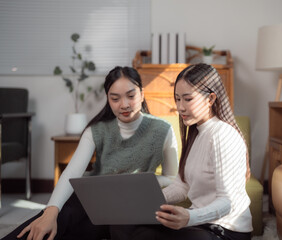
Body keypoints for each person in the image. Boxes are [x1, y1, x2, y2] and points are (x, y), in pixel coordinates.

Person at [3, 66, 178, 240]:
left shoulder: (162, 130)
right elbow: (71, 172)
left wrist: (142, 180)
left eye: (131, 96)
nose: (124, 104)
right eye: (115, 98)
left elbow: (172, 177)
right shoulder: (96, 131)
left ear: (142, 94)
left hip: (134, 204)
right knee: (49, 222)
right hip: (94, 202)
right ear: (108, 99)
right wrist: (51, 211)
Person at [110, 63, 253, 240]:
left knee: (144, 235)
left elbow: (228, 202)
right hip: (199, 223)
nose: (180, 107)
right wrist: (145, 202)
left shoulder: (223, 134)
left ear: (210, 99)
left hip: (225, 231)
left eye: (188, 99)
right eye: (177, 99)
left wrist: (190, 217)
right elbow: (182, 186)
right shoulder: (195, 133)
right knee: (122, 222)